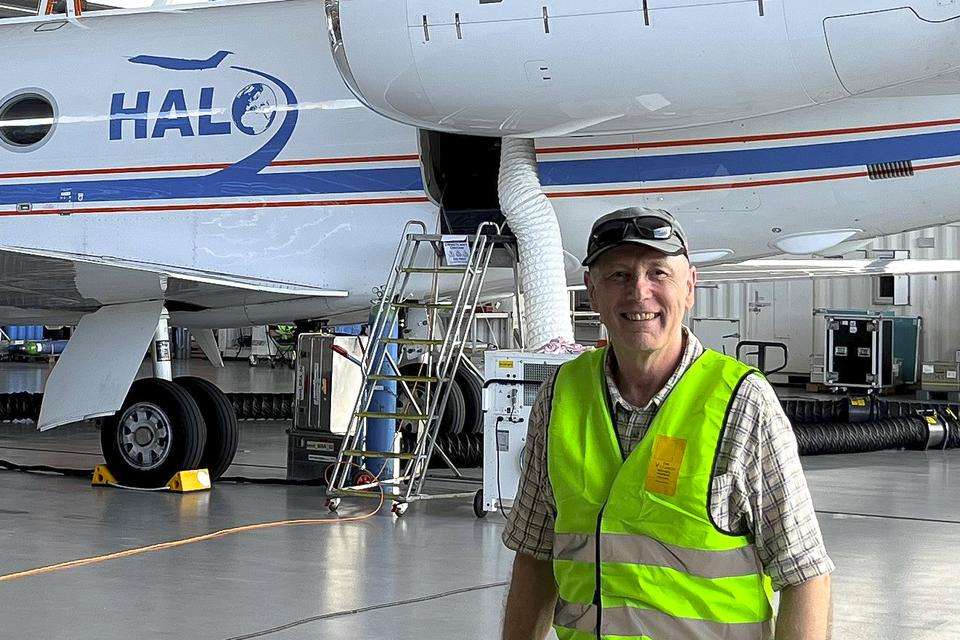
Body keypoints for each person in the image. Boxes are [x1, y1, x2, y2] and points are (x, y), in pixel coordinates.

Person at [501, 207, 833, 640]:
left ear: (689, 287)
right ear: (591, 291)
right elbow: (534, 555)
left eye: (658, 273)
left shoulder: (741, 402)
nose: (639, 293)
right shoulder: (561, 394)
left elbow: (804, 573)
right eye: (618, 275)